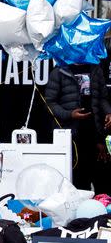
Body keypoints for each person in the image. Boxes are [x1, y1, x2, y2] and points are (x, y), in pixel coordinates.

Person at [44, 64, 111, 192]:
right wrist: (69, 114)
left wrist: (108, 112)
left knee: (100, 175)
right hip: (70, 134)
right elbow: (49, 103)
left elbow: (102, 98)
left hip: (93, 131)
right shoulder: (59, 71)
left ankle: (101, 208)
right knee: (76, 178)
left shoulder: (95, 69)